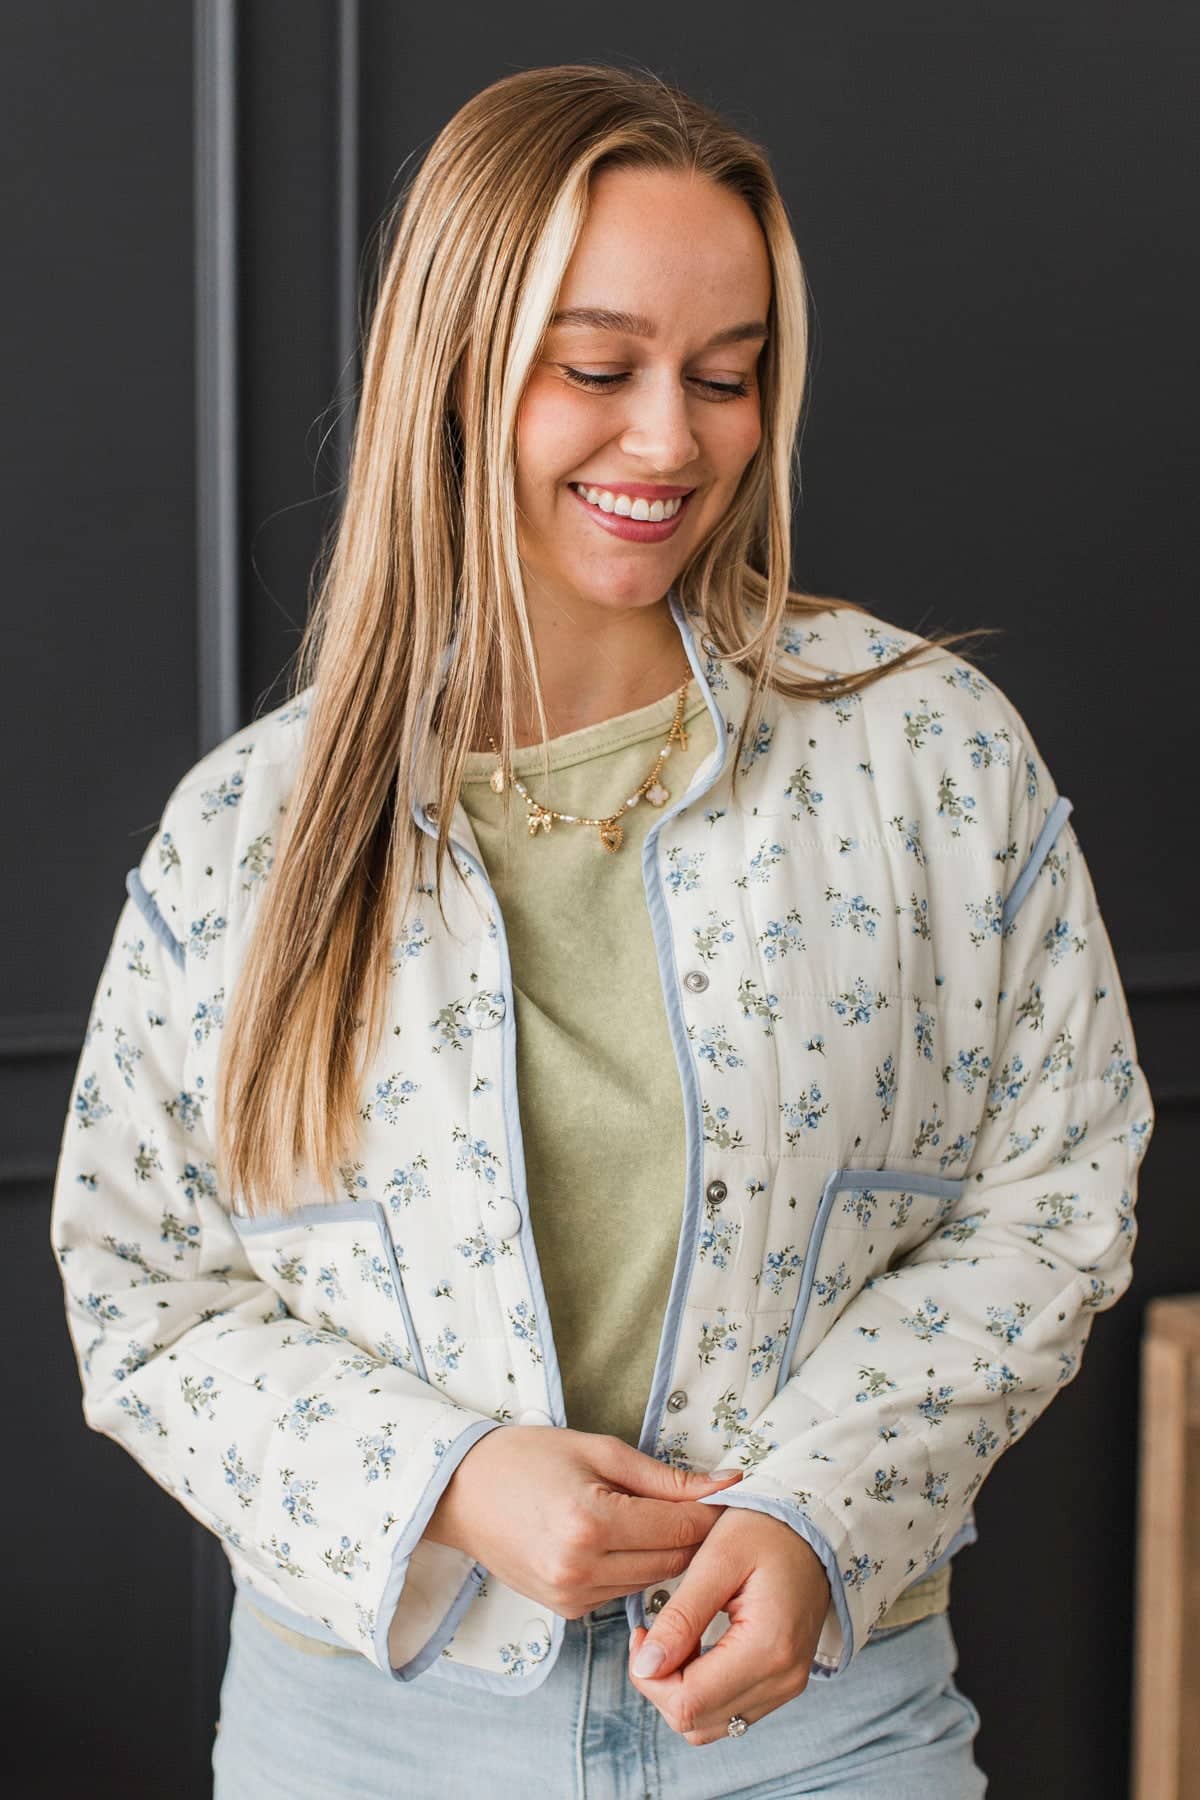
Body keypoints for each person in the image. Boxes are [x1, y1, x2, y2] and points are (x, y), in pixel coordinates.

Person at [49, 62, 1153, 1800]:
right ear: (456, 363)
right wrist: (452, 1480)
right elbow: (145, 1293)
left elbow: (1055, 1192)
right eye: (596, 368)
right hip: (363, 1739)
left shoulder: (928, 753)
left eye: (726, 376)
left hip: (825, 1726)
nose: (672, 442)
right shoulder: (243, 835)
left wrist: (820, 1513)